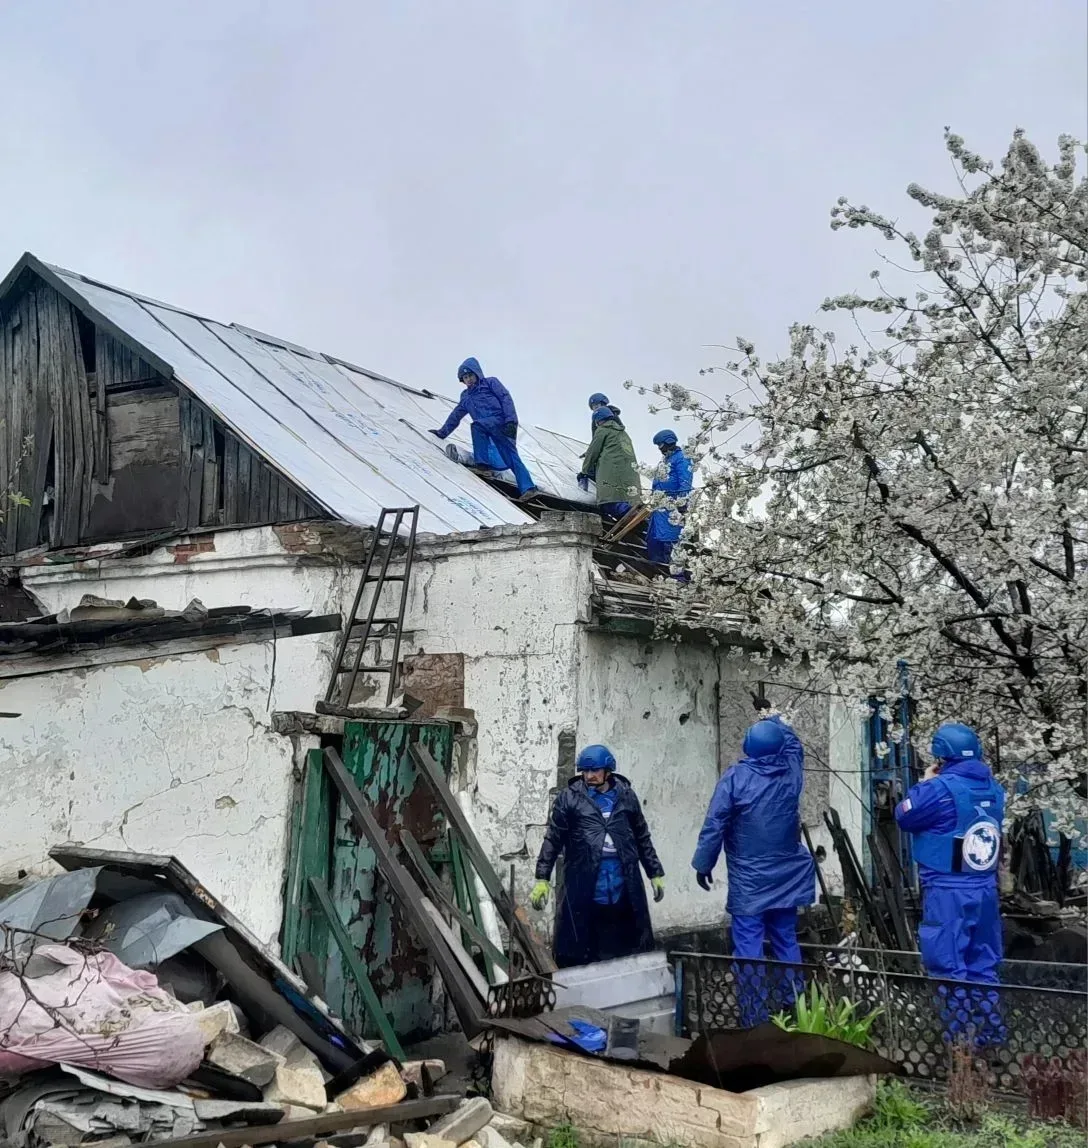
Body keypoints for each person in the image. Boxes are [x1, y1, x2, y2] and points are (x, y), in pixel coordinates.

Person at [692, 715, 815, 1025]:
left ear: (749, 745)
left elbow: (715, 823)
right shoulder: (791, 772)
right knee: (786, 939)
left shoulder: (735, 778)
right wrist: (775, 719)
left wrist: (704, 863)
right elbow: (795, 745)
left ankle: (755, 1018)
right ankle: (797, 1009)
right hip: (786, 876)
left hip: (749, 880)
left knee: (749, 947)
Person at [895, 722, 1006, 1046]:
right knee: (983, 965)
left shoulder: (938, 789)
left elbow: (904, 816)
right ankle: (990, 1040)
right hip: (985, 889)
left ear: (941, 755)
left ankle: (960, 1048)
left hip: (947, 891)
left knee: (947, 965)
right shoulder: (994, 789)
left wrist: (926, 782)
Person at [530, 744, 665, 968]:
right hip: (585, 881)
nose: (589, 775)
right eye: (585, 771)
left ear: (608, 771)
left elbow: (641, 836)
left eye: (595, 770)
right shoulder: (570, 798)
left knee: (625, 944)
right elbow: (553, 838)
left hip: (623, 880)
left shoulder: (626, 797)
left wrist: (655, 872)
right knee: (583, 945)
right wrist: (542, 877)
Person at [431, 357, 540, 501]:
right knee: (509, 455)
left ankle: (484, 467)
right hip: (486, 428)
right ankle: (529, 489)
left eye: (470, 375)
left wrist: (511, 421)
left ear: (477, 373)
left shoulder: (490, 383)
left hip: (500, 422)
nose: (468, 379)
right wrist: (442, 433)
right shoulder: (466, 397)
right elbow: (456, 415)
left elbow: (505, 398)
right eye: (465, 377)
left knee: (483, 431)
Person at [577, 407, 641, 519]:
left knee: (608, 502)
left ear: (598, 420)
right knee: (626, 499)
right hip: (629, 477)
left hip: (611, 472)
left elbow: (593, 452)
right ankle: (634, 515)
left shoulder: (603, 430)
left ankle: (629, 514)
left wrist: (584, 471)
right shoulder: (623, 434)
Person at [645, 430, 693, 566]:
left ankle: (674, 572)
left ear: (669, 442)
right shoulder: (665, 460)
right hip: (659, 508)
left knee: (670, 540)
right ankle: (656, 568)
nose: (660, 449)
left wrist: (682, 501)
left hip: (672, 507)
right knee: (653, 540)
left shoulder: (682, 458)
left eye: (661, 445)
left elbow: (685, 482)